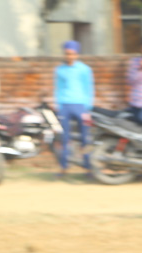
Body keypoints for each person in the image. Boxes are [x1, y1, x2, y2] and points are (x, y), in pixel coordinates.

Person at [54, 40, 94, 177]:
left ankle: (88, 168)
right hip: (65, 106)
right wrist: (59, 106)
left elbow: (89, 88)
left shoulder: (85, 69)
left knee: (85, 137)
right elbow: (58, 88)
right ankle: (64, 167)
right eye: (67, 53)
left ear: (77, 54)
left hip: (81, 106)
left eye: (72, 54)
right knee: (64, 138)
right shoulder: (60, 70)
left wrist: (87, 108)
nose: (69, 56)